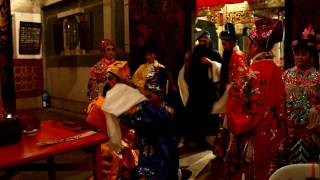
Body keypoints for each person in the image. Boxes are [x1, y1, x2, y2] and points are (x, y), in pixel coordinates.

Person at [225, 18, 287, 179]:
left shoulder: (251, 72)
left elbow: (242, 108)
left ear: (254, 46)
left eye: (249, 44)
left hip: (253, 137)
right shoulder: (278, 71)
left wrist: (231, 95)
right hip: (273, 136)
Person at [101, 64, 179, 179]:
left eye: (149, 96)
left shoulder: (166, 112)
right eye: (145, 96)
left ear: (161, 95)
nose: (146, 99)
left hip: (162, 161)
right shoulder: (147, 107)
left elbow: (143, 118)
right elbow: (133, 118)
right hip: (146, 158)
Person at [86, 61, 137, 180]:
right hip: (108, 134)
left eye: (111, 78)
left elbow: (131, 119)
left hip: (124, 135)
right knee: (102, 147)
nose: (108, 81)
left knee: (112, 151)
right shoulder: (107, 92)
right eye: (107, 78)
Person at [282, 25, 320, 164]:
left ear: (312, 57)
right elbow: (281, 99)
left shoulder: (318, 76)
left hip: (311, 131)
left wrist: (316, 110)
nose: (300, 57)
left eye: (304, 54)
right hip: (289, 130)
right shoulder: (286, 75)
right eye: (297, 54)